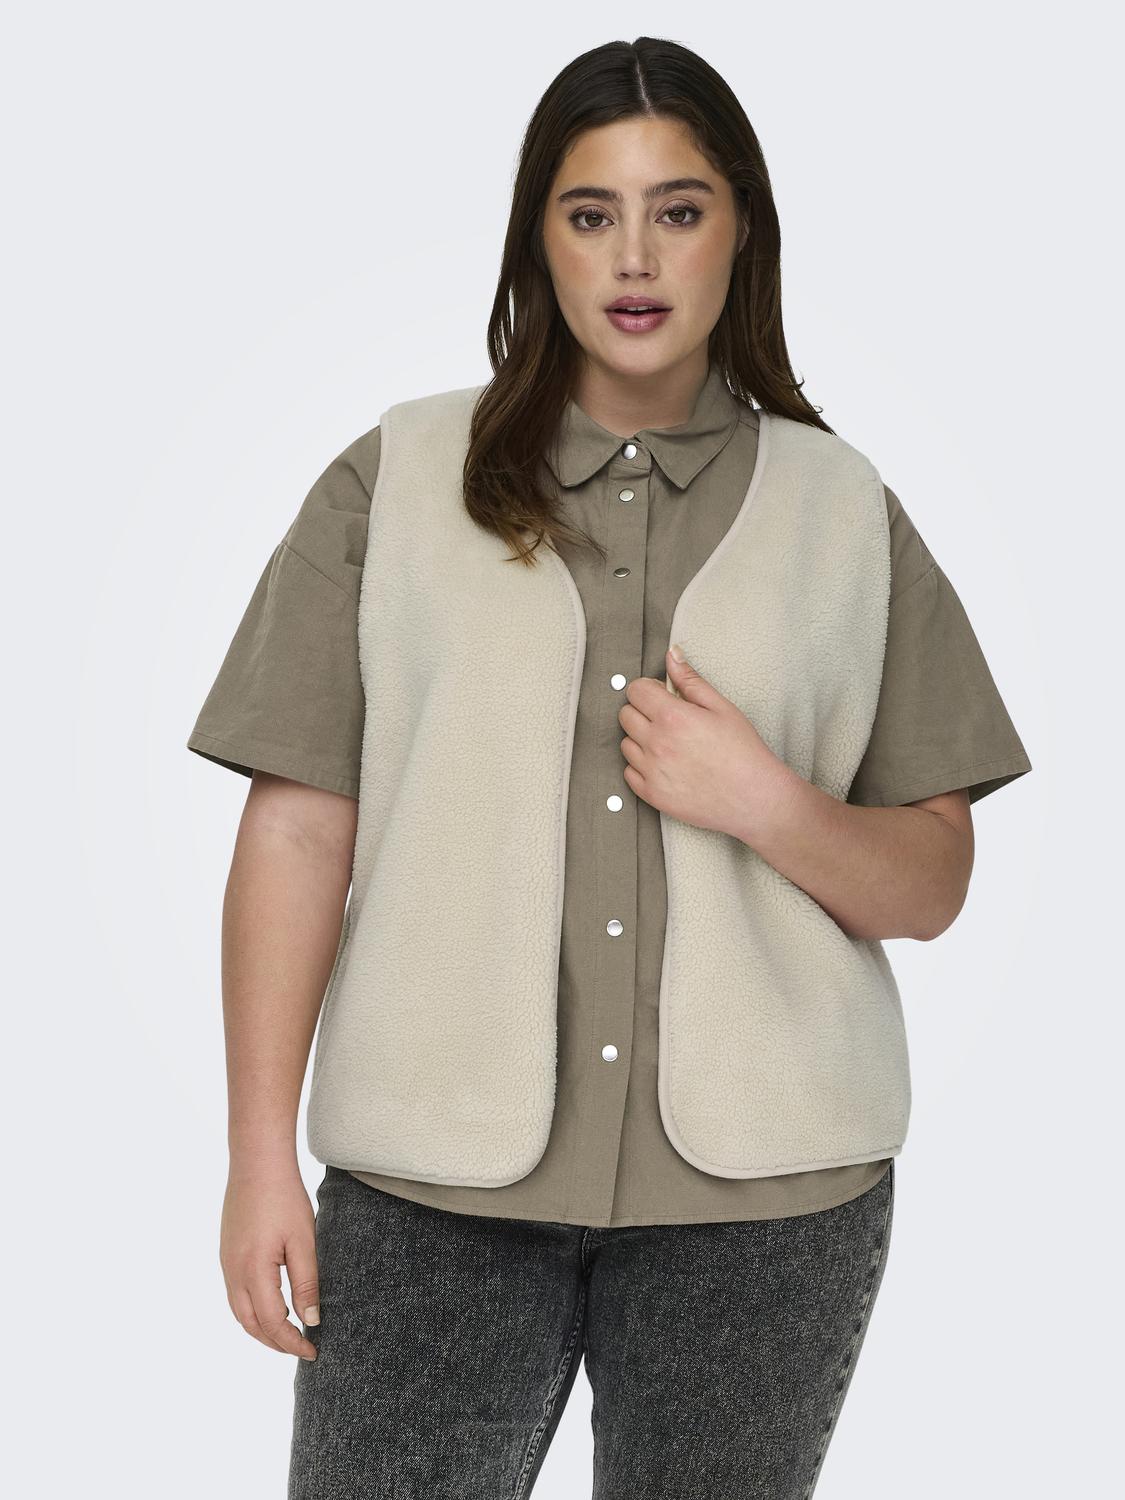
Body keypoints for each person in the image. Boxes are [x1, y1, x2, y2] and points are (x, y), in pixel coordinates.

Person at [187, 35, 1032, 1500]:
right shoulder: (393, 481)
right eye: (591, 214)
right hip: (429, 1188)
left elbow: (933, 882)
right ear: (540, 238)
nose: (634, 257)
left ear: (740, 231)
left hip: (769, 1208)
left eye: (678, 210)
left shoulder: (844, 511)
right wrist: (259, 1154)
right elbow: (296, 834)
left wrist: (764, 802)